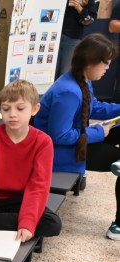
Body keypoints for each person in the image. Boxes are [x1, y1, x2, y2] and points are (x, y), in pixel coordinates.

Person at [34, 33, 120, 240]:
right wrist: (99, 132)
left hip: (76, 141)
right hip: (60, 153)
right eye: (105, 63)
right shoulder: (68, 92)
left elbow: (94, 107)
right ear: (90, 62)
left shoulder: (81, 78)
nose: (107, 68)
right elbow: (60, 135)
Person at [0, 80, 62, 244]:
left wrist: (27, 222)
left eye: (20, 108)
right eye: (6, 109)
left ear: (34, 109)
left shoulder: (43, 142)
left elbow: (38, 185)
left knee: (53, 224)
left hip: (20, 199)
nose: (12, 114)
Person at [55, 0, 98, 80]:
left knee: (65, 72)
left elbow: (89, 21)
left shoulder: (89, 1)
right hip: (53, 35)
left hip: (72, 39)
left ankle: (61, 91)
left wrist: (80, 9)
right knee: (50, 70)